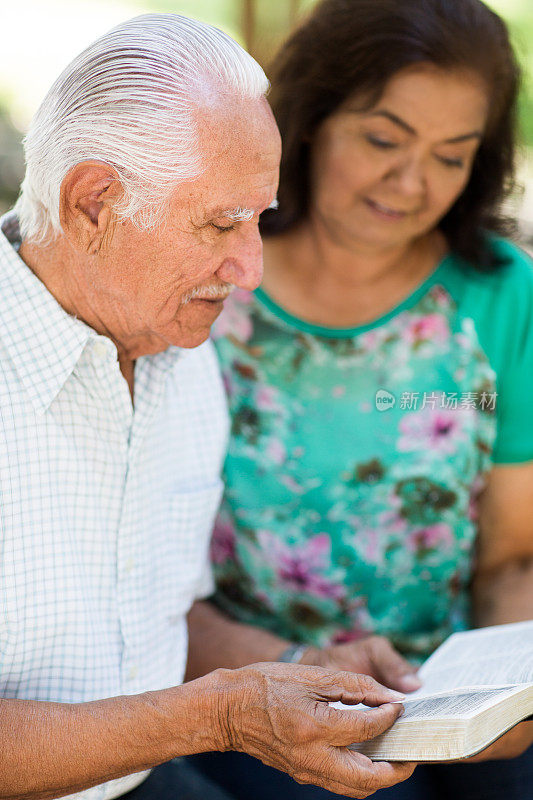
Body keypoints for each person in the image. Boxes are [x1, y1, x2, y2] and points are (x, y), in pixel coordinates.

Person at [0, 13, 417, 800]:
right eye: (221, 222)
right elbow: (195, 715)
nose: (250, 267)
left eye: (257, 219)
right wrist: (215, 719)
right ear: (93, 202)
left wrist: (300, 669)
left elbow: (153, 629)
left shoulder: (177, 347)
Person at [186, 0, 533, 798]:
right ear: (308, 120)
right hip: (248, 691)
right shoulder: (210, 280)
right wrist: (294, 676)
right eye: (382, 140)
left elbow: (510, 561)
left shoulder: (500, 293)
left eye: (451, 156)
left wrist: (505, 691)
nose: (410, 184)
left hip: (440, 696)